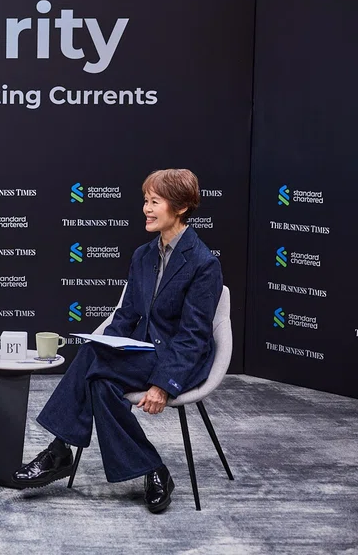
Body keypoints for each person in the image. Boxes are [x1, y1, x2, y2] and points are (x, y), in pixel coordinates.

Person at [13, 168, 222, 513]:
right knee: (100, 379)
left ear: (181, 207)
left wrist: (163, 386)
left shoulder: (203, 264)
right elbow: (126, 316)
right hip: (142, 351)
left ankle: (59, 451)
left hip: (177, 359)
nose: (146, 209)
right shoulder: (143, 255)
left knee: (92, 365)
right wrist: (108, 345)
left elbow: (194, 337)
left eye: (155, 201)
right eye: (145, 201)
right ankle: (154, 470)